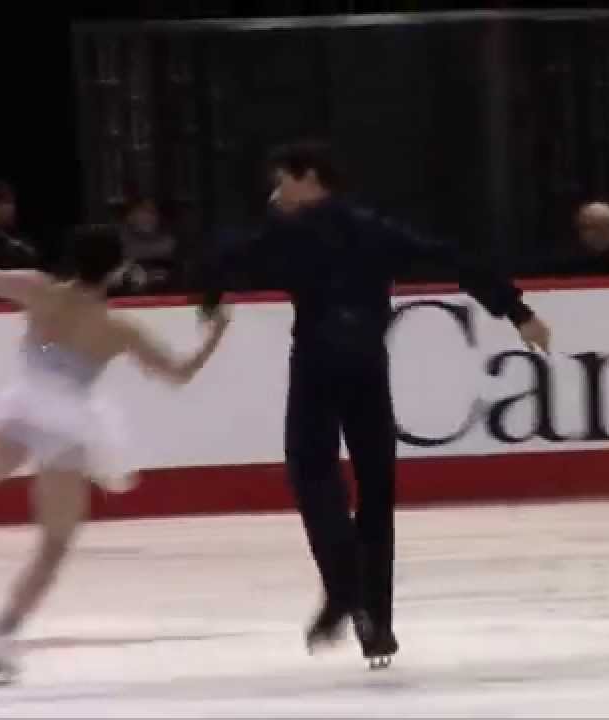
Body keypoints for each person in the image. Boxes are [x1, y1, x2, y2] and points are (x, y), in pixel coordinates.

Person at [197, 140, 551, 669]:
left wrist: (208, 298)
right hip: (366, 364)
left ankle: (343, 588)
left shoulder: (286, 233)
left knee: (312, 471)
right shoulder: (374, 229)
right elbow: (451, 257)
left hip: (318, 363)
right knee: (376, 489)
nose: (275, 195)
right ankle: (378, 625)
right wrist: (516, 309)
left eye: (282, 182)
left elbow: (221, 259)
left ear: (311, 177)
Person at [0, 225, 231, 685]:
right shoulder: (117, 329)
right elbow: (178, 374)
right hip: (68, 420)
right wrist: (217, 333)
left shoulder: (37, 288)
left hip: (24, 401)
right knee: (53, 545)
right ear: (116, 271)